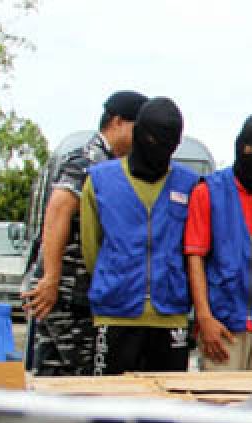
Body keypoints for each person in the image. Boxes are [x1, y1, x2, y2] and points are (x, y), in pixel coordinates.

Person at [22, 90, 147, 376]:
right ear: (117, 122)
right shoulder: (87, 162)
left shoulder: (111, 164)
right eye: (137, 130)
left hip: (74, 294)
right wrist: (51, 278)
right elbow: (58, 211)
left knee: (55, 377)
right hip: (67, 293)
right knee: (81, 380)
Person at [81, 97, 197, 374]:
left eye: (169, 144)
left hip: (171, 316)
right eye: (154, 140)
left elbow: (193, 252)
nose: (160, 149)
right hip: (116, 313)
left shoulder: (190, 184)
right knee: (110, 407)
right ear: (139, 133)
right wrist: (116, 279)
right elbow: (91, 248)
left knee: (167, 411)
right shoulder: (99, 181)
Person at [184, 113, 252, 371]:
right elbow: (195, 257)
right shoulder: (208, 192)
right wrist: (204, 317)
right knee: (221, 407)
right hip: (223, 327)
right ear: (239, 145)